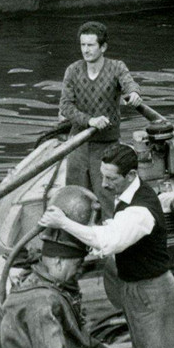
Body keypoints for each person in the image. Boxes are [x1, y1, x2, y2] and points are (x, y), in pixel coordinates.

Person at [40, 142, 174, 348]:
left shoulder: (140, 210)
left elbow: (108, 241)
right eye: (102, 175)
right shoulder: (126, 197)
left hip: (153, 292)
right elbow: (116, 230)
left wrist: (64, 223)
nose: (103, 184)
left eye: (110, 178)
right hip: (135, 287)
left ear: (131, 176)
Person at [0, 209, 123, 348]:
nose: (80, 271)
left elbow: (82, 341)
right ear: (58, 261)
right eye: (78, 264)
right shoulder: (43, 302)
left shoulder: (40, 285)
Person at [59, 21, 142, 212]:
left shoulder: (117, 68)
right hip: (78, 144)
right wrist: (90, 121)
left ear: (103, 47)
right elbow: (65, 106)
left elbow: (129, 84)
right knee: (74, 198)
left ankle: (106, 234)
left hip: (107, 147)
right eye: (82, 45)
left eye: (90, 45)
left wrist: (134, 93)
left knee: (105, 198)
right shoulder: (73, 70)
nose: (85, 50)